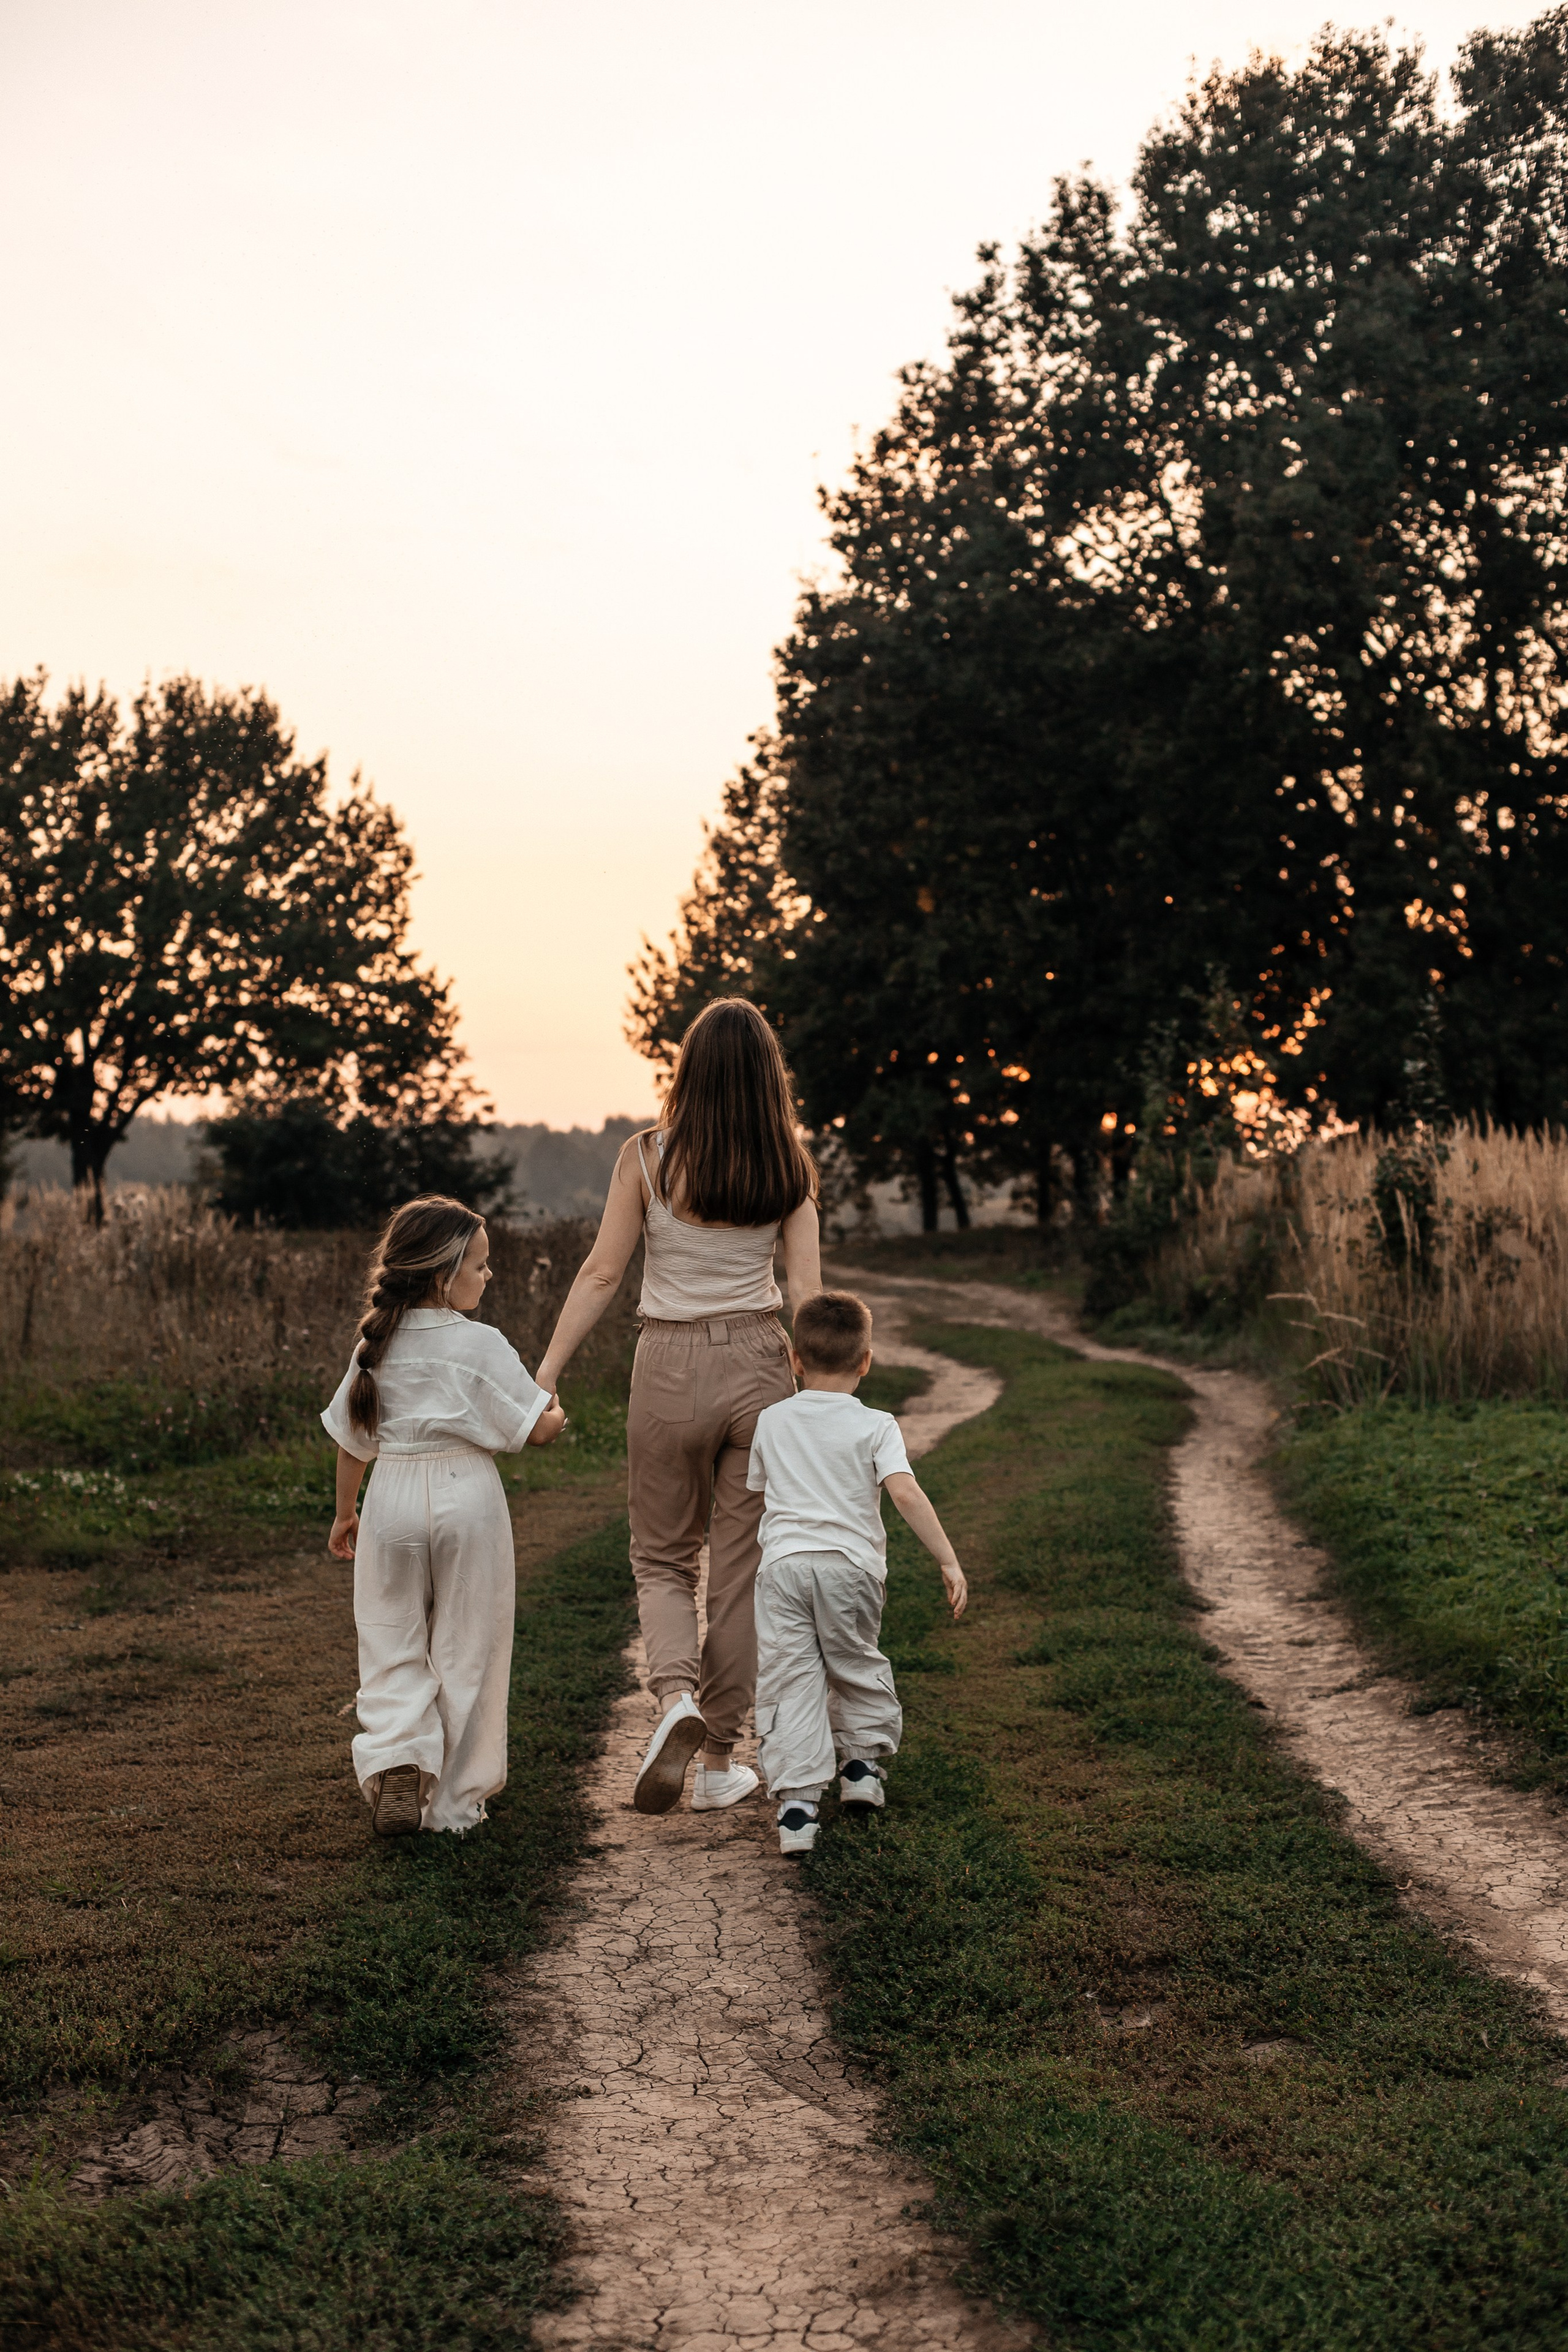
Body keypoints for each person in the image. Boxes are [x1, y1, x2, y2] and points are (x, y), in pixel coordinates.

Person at [537, 998, 820, 1815]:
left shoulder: (647, 1157)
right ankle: (721, 1761)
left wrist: (546, 1373)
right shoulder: (789, 1170)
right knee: (741, 1573)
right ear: (768, 1077)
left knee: (663, 1557)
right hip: (761, 1364)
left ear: (688, 1072)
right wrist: (824, 1404)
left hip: (667, 1363)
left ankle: (675, 1700)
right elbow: (808, 1296)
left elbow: (601, 1273)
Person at [323, 1195, 567, 1837]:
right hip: (467, 1497)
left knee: (390, 1634)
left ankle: (399, 1756)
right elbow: (537, 1430)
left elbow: (352, 1440)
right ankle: (455, 1805)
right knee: (468, 1643)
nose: (489, 1275)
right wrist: (556, 1410)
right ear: (441, 1274)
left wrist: (346, 1513)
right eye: (480, 1265)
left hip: (392, 1496)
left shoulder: (374, 1344)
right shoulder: (481, 1343)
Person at [745, 1289, 967, 1856]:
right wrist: (947, 1558)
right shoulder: (877, 1424)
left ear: (796, 1360)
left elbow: (760, 1489)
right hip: (851, 1569)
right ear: (866, 1361)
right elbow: (905, 1492)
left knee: (791, 1679)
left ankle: (798, 1809)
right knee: (854, 1663)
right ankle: (861, 1769)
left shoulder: (771, 1420)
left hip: (785, 1568)